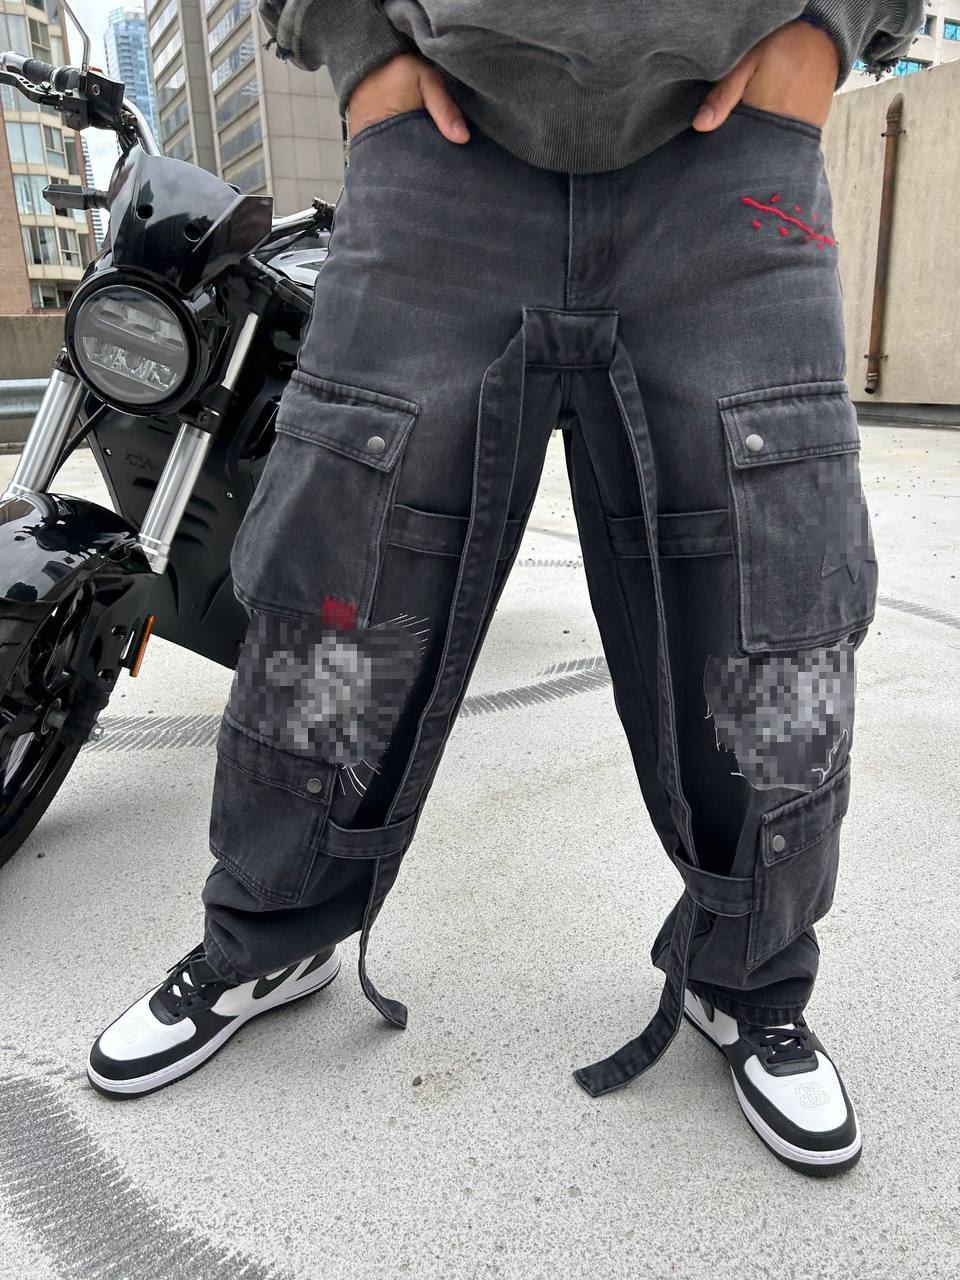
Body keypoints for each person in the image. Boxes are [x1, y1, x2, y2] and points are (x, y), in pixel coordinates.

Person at [87, 2, 920, 1176]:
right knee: (338, 583)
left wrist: (828, 29)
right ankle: (269, 927)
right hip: (440, 155)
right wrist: (361, 50)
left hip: (733, 161)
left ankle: (753, 975)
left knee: (776, 607)